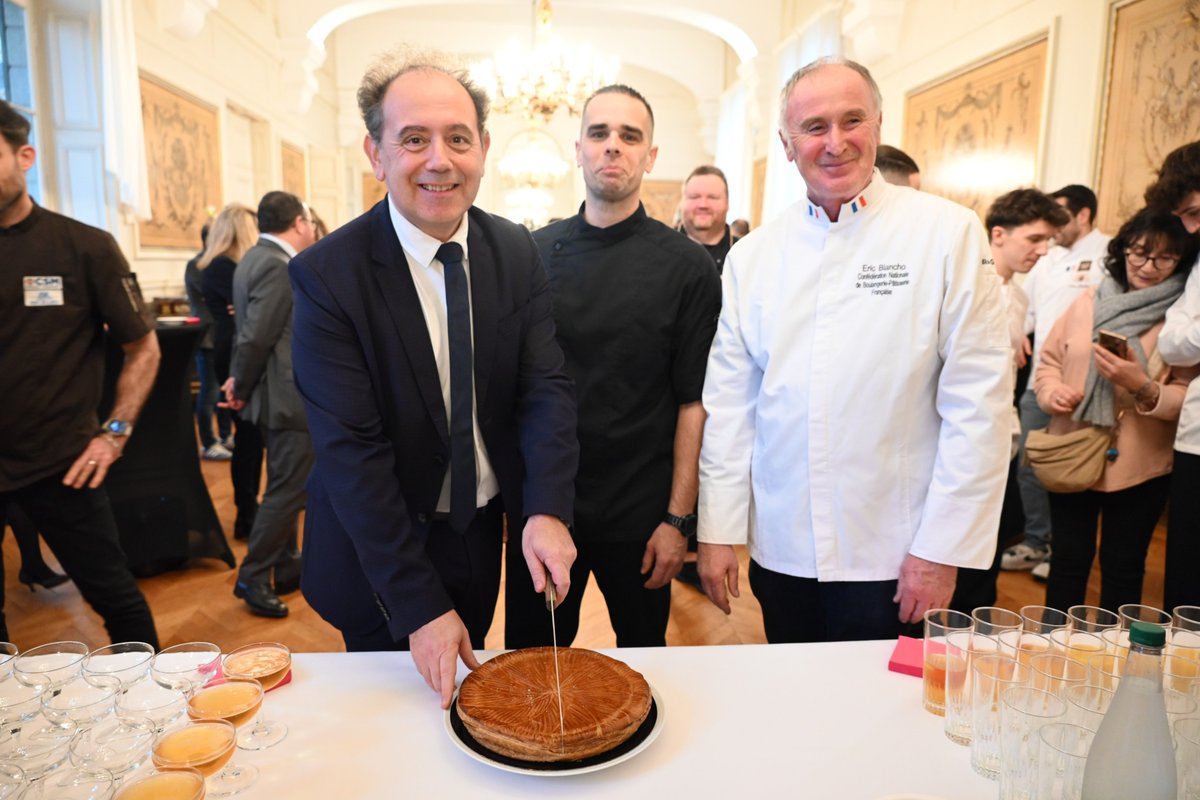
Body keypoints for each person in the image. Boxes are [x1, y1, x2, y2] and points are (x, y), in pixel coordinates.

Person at [289, 53, 579, 707]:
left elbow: (544, 388)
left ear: (484, 150)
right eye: (414, 139)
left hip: (477, 535)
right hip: (377, 554)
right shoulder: (327, 275)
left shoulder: (515, 250)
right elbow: (352, 454)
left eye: (458, 138)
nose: (439, 161)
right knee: (392, 722)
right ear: (376, 153)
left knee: (465, 707)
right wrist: (418, 605)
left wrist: (546, 508)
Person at [697, 58, 1011, 643]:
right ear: (787, 145)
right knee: (796, 690)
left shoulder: (947, 233)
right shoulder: (754, 255)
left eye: (852, 120)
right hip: (783, 547)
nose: (836, 142)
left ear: (878, 126)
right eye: (814, 127)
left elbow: (979, 406)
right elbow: (731, 406)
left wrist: (942, 549)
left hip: (897, 550)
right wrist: (717, 531)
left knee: (889, 700)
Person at [505, 86, 721, 648]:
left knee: (645, 662)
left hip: (641, 513)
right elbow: (515, 391)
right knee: (535, 664)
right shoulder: (530, 254)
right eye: (599, 133)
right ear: (578, 149)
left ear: (650, 156)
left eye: (630, 136)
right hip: (548, 506)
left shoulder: (688, 267)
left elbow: (693, 403)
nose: (612, 146)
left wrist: (678, 521)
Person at [0, 99, 160, 646]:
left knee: (118, 602)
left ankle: (153, 697)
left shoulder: (84, 247)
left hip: (63, 466)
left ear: (25, 156)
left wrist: (113, 434)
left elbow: (143, 347)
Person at [1037, 209, 1196, 611]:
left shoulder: (1183, 322)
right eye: (1138, 252)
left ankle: (1114, 649)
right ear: (1122, 250)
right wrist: (1052, 393)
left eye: (1164, 258)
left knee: (1123, 567)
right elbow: (1050, 362)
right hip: (1073, 447)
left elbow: (1187, 396)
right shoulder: (1088, 301)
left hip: (1142, 464)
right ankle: (1053, 644)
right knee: (1067, 561)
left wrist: (1141, 385)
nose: (1147, 266)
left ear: (1182, 261)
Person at [949, 188, 1068, 612]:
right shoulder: (963, 288)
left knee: (989, 546)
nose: (1043, 250)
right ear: (998, 234)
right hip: (962, 438)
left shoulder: (1018, 297)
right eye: (1034, 238)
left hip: (1002, 435)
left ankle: (973, 625)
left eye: (1048, 240)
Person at [1005, 184, 1112, 580]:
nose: (1051, 229)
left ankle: (1062, 550)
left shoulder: (1107, 254)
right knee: (1029, 464)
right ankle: (1036, 540)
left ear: (1083, 214)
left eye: (1061, 215)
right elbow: (1029, 309)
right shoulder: (1045, 258)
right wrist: (1017, 333)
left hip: (1083, 385)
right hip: (1039, 379)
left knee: (1074, 468)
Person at [224, 191, 316, 618]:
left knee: (285, 482)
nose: (312, 229)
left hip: (274, 394)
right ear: (298, 223)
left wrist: (240, 381)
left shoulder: (252, 258)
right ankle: (254, 576)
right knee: (288, 489)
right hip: (286, 397)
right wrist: (240, 385)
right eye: (309, 222)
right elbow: (256, 337)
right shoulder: (278, 265)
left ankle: (288, 564)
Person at [1145, 141, 1200, 611]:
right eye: (1185, 216)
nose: (1192, 227)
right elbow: (1172, 343)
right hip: (1194, 441)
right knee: (1185, 584)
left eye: (1196, 211)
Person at [199, 203, 264, 541]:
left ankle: (250, 508)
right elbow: (251, 307)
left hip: (236, 348)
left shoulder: (230, 266)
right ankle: (246, 513)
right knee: (248, 438)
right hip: (234, 354)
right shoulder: (222, 267)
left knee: (252, 438)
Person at [184, 223, 232, 460]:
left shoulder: (218, 263)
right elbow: (213, 293)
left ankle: (225, 435)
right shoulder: (198, 264)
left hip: (223, 334)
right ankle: (208, 442)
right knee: (210, 391)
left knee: (225, 390)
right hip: (207, 337)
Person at [679, 164, 738, 273]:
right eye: (694, 197)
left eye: (712, 197)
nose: (703, 205)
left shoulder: (744, 252)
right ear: (681, 203)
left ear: (727, 203)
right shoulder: (660, 250)